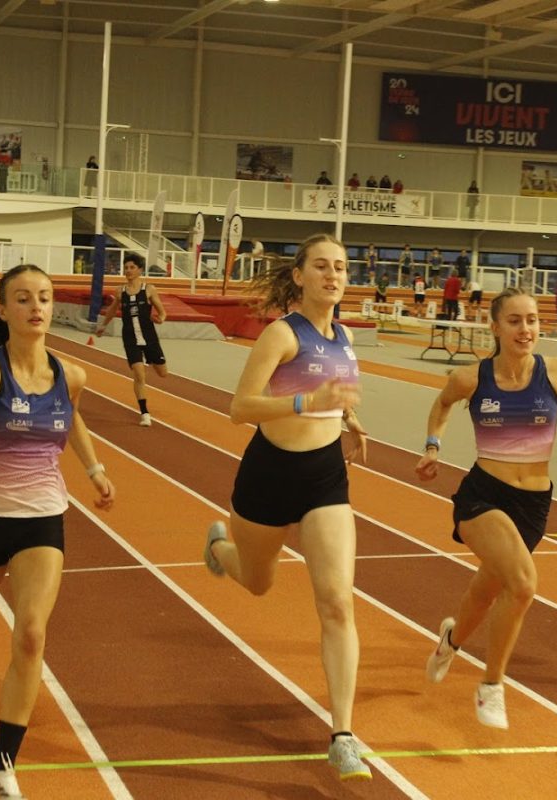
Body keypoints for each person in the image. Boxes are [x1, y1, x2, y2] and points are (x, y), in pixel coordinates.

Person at [0, 264, 116, 800]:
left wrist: (95, 469)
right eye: (24, 298)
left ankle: (2, 769)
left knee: (32, 633)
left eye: (45, 297)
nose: (37, 306)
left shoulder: (70, 374)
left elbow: (71, 416)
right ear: (5, 308)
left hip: (40, 516)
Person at [203, 233, 372, 781]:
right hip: (269, 475)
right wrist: (306, 402)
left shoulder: (345, 337)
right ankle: (222, 550)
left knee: (337, 603)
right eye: (321, 266)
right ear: (299, 276)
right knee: (258, 582)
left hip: (324, 478)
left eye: (341, 267)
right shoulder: (281, 334)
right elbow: (239, 408)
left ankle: (342, 734)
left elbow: (337, 397)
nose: (333, 274)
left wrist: (349, 422)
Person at [417, 287, 557, 728]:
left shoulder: (556, 372)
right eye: (515, 321)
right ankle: (491, 686)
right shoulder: (473, 377)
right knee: (523, 585)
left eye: (532, 320)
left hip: (533, 503)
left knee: (486, 592)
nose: (526, 329)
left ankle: (450, 641)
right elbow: (442, 404)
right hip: (484, 496)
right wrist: (433, 446)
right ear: (495, 327)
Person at [95, 253, 168, 426]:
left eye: (132, 267)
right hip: (130, 337)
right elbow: (113, 310)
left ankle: (149, 360)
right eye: (126, 267)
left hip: (149, 337)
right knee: (139, 375)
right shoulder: (120, 291)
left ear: (139, 270)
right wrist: (103, 325)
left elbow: (162, 312)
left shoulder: (149, 289)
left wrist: (161, 318)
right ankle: (145, 413)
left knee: (163, 373)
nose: (128, 271)